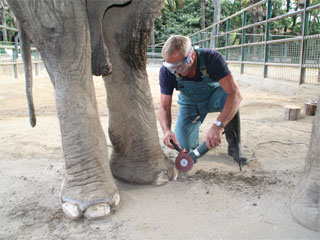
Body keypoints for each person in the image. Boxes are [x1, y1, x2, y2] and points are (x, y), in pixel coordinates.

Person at [158, 35, 249, 167]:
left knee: (230, 97)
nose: (176, 71)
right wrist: (167, 131)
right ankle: (192, 140)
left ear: (192, 55)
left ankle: (235, 146)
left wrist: (218, 125)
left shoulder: (212, 58)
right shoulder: (167, 72)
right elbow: (164, 107)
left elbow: (235, 94)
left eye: (181, 66)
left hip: (214, 98)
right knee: (183, 146)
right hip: (190, 104)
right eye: (172, 67)